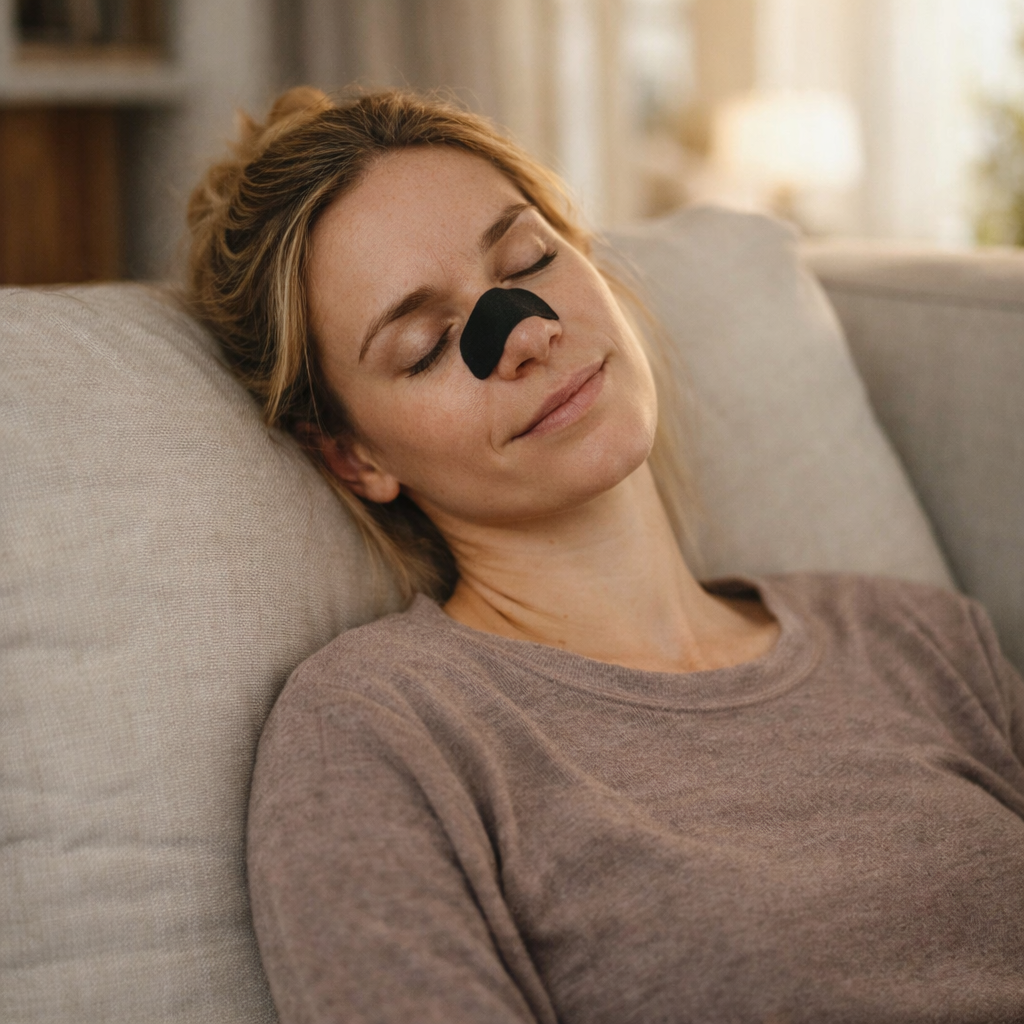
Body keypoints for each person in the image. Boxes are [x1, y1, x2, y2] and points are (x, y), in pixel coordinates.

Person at [187, 87, 1024, 1024]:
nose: (531, 331)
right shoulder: (384, 729)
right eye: (425, 345)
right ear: (354, 455)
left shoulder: (916, 636)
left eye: (531, 258)